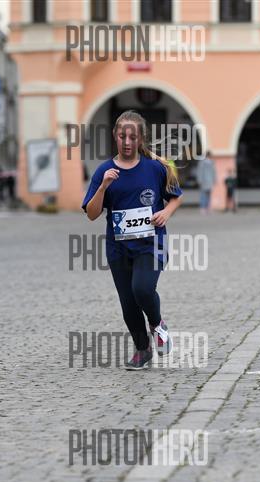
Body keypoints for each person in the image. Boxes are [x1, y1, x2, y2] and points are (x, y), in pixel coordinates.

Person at [82, 110, 183, 370]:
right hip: (118, 248)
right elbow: (92, 214)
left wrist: (166, 213)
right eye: (122, 136)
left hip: (151, 243)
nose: (127, 142)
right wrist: (103, 187)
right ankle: (142, 349)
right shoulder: (104, 171)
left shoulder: (155, 168)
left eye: (132, 137)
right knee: (128, 303)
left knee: (142, 289)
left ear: (140, 139)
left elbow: (176, 196)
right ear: (115, 136)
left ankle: (157, 324)